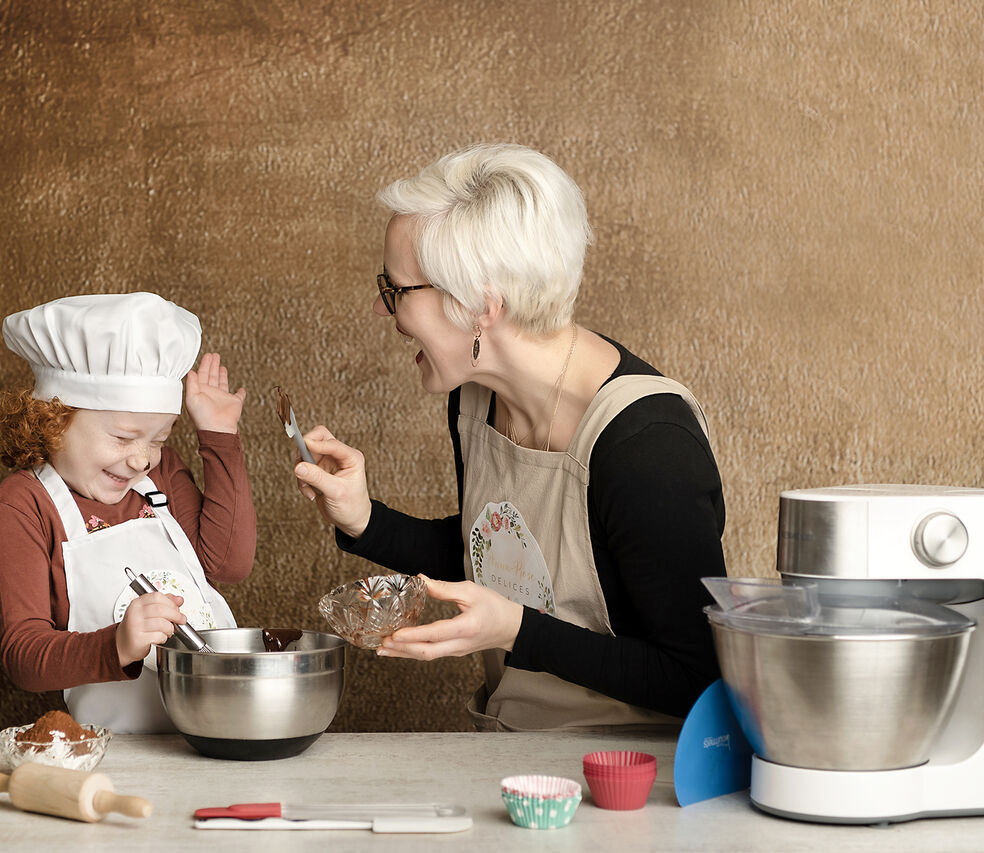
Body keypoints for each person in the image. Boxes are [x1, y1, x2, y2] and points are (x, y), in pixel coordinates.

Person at [292, 143, 725, 730]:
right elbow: (504, 557)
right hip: (512, 747)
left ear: (479, 305)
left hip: (633, 769)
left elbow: (695, 678)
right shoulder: (475, 397)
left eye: (396, 290)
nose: (379, 307)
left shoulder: (648, 446)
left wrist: (517, 630)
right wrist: (364, 519)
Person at [0, 292, 255, 733]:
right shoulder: (23, 507)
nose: (142, 459)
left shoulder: (159, 477)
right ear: (54, 419)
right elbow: (23, 656)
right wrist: (119, 645)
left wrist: (219, 436)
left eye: (159, 439)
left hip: (214, 734)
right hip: (116, 752)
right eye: (123, 438)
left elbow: (227, 564)